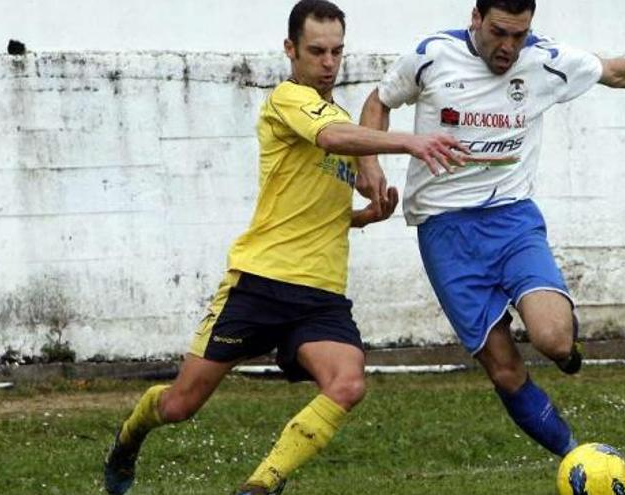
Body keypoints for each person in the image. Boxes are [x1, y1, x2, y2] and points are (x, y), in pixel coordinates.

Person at [102, 1, 466, 494]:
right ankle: (130, 436)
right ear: (290, 50)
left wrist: (364, 216)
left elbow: (321, 208)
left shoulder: (339, 118)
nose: (329, 62)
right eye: (316, 50)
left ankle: (261, 485)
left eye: (337, 51)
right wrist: (411, 142)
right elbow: (333, 134)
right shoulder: (289, 99)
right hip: (259, 282)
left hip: (319, 295)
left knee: (348, 383)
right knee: (179, 406)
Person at [360, 0, 625, 458]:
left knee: (553, 339)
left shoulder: (545, 61)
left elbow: (612, 71)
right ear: (475, 19)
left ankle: (567, 351)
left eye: (518, 36)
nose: (508, 47)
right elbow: (378, 102)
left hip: (511, 219)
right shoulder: (431, 56)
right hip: (444, 233)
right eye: (499, 33)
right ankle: (576, 456)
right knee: (504, 368)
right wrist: (370, 167)